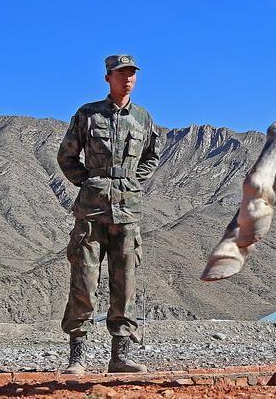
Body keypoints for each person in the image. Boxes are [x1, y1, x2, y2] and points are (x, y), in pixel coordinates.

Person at [57, 55, 160, 374]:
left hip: (128, 212)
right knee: (85, 280)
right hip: (91, 211)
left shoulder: (143, 118)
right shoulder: (88, 114)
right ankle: (78, 354)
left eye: (131, 73)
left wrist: (132, 182)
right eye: (120, 73)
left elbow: (153, 154)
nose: (127, 78)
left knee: (124, 282)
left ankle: (121, 355)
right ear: (108, 78)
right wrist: (88, 182)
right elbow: (66, 155)